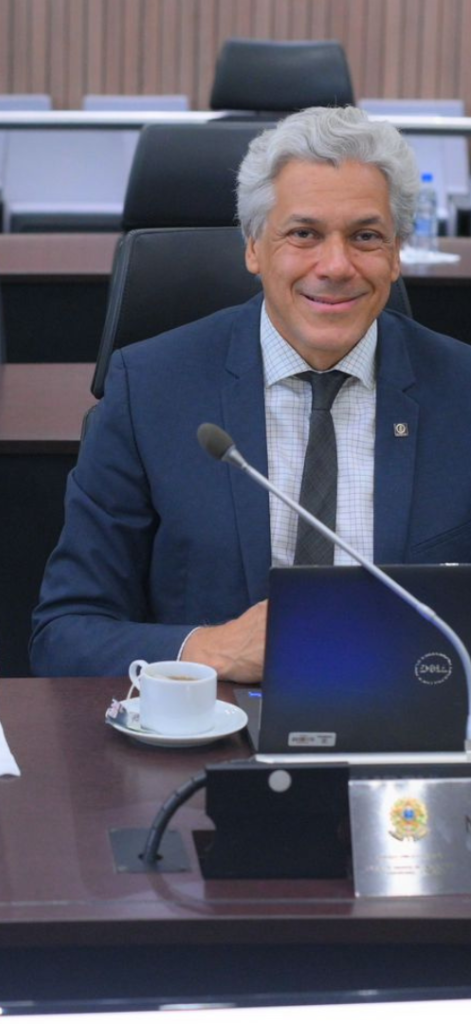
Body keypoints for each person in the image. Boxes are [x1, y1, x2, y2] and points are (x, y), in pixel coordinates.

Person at [31, 105, 471, 680]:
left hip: (413, 719)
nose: (335, 265)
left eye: (365, 236)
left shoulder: (461, 391)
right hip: (215, 724)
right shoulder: (151, 389)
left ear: (395, 254)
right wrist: (211, 651)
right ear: (254, 247)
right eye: (304, 234)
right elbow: (63, 635)